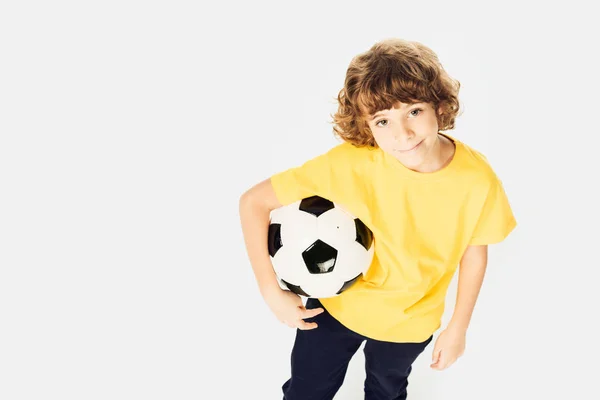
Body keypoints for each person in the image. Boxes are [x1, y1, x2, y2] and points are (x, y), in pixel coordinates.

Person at [238, 38, 517, 400]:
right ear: (366, 125)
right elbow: (253, 203)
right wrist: (270, 290)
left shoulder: (477, 178)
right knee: (307, 389)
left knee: (386, 392)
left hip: (409, 319)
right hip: (337, 303)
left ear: (439, 105)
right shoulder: (351, 162)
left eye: (414, 111)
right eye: (383, 121)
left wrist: (457, 327)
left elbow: (474, 251)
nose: (402, 134)